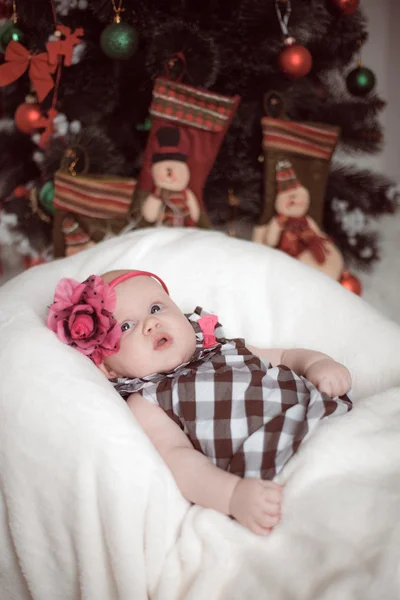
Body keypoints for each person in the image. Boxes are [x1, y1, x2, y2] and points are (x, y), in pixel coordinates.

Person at [47, 269, 352, 536]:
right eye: (125, 326)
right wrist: (231, 495)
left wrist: (318, 364)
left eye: (156, 307)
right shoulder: (148, 401)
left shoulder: (223, 348)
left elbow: (285, 357)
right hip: (275, 458)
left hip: (324, 417)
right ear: (108, 368)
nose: (150, 323)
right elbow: (180, 459)